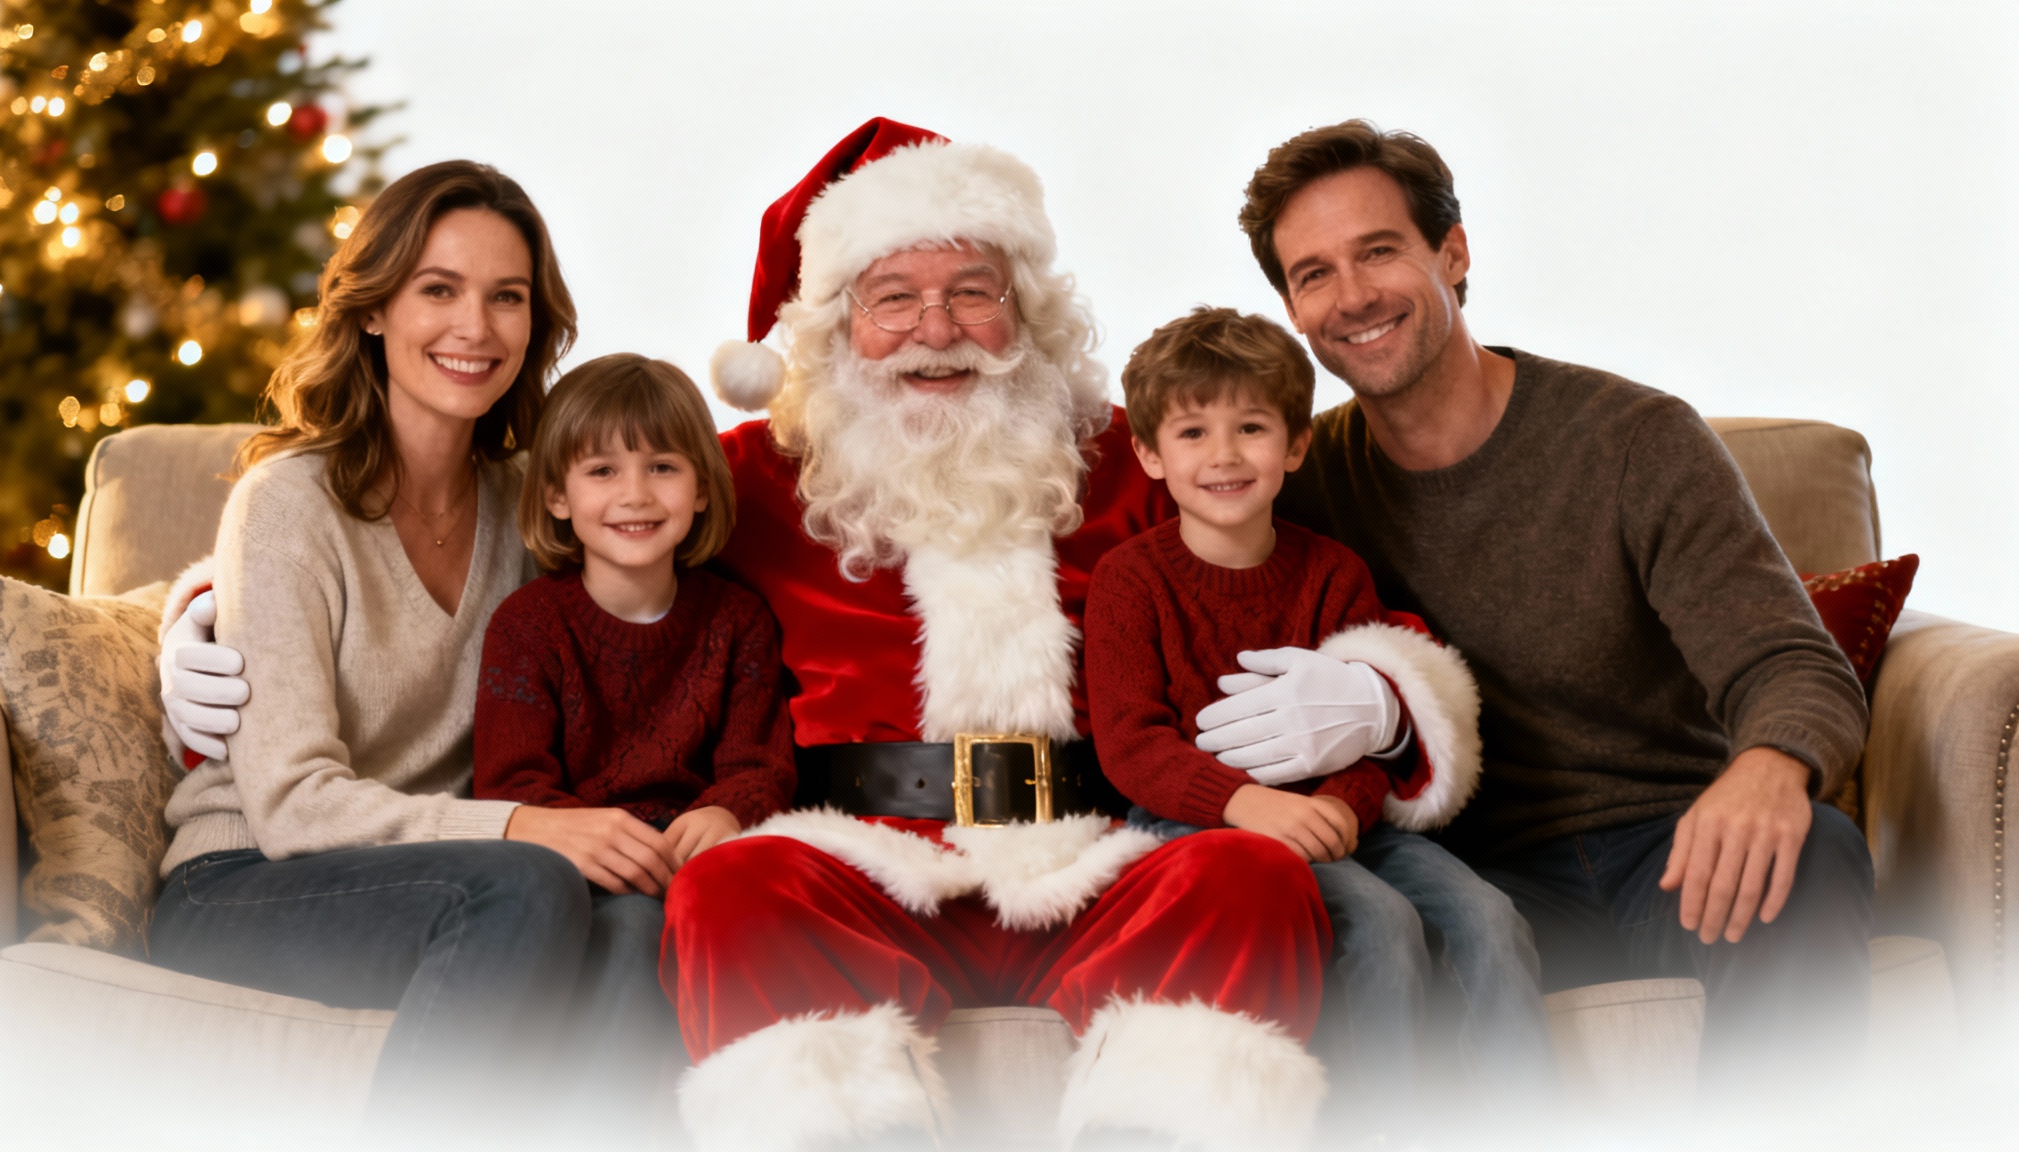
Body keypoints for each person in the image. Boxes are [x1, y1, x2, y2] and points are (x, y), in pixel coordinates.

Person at [659, 119, 1425, 1151]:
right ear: (835, 324)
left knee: (1247, 878)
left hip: (1097, 858)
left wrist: (1379, 693)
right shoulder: (745, 477)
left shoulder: (1134, 456)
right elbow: (615, 591)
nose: (938, 327)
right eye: (893, 297)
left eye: (973, 290)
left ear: (1024, 307)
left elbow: (1304, 584)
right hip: (863, 865)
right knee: (729, 888)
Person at [1224, 120, 1875, 1094]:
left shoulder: (1633, 440)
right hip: (1477, 881)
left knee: (1815, 851)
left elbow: (1788, 660)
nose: (1351, 296)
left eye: (1379, 251)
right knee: (1349, 921)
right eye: (1313, 274)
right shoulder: (1294, 487)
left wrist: (1768, 766)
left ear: (1452, 252)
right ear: (1290, 307)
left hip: (1671, 847)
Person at [144, 161, 679, 1145]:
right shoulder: (288, 503)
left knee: (641, 920)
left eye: (506, 297)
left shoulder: (537, 506)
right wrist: (521, 828)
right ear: (374, 309)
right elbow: (292, 805)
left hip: (462, 875)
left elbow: (669, 585)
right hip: (244, 882)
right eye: (438, 289)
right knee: (528, 883)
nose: (475, 327)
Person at [1085, 304, 1549, 1110]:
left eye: (1252, 428)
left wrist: (1340, 807)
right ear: (1151, 454)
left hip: (1340, 818)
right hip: (1199, 828)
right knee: (1379, 921)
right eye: (1193, 433)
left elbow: (1368, 727)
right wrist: (1248, 804)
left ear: (1296, 444)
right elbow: (1132, 746)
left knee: (1490, 914)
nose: (1225, 455)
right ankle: (1383, 1129)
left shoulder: (1334, 572)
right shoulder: (1129, 581)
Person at [474, 352, 795, 869]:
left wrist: (727, 812)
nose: (635, 495)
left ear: (702, 489)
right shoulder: (527, 626)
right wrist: (600, 844)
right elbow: (510, 786)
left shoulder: (738, 620)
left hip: (702, 863)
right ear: (557, 496)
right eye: (602, 471)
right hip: (579, 868)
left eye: (662, 467)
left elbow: (760, 768)